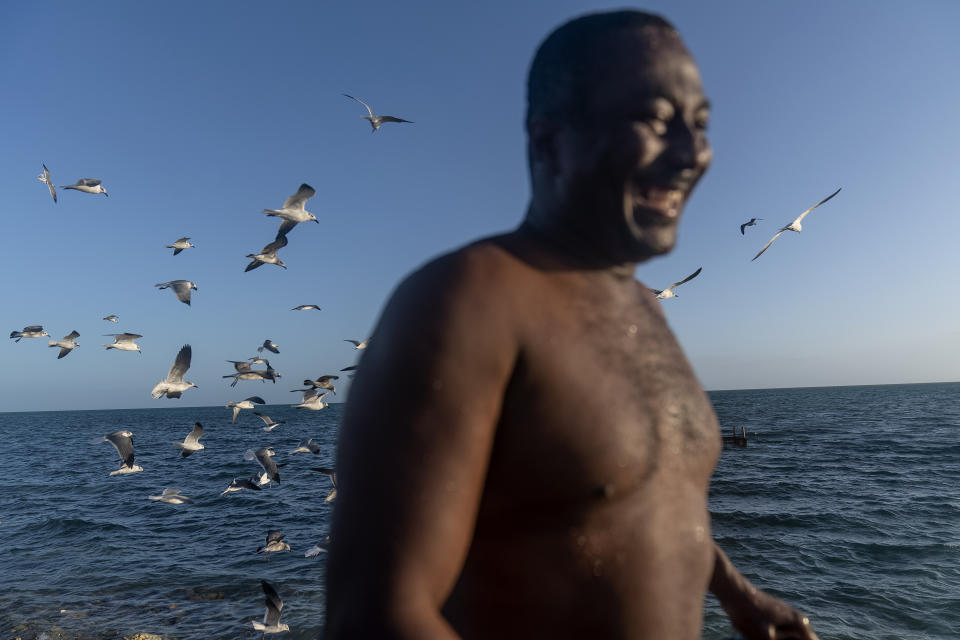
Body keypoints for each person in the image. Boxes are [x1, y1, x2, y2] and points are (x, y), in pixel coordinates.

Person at [325, 10, 819, 640]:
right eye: (655, 120)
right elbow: (376, 620)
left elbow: (649, 502)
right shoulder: (466, 303)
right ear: (549, 139)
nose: (693, 153)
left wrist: (738, 594)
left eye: (700, 124)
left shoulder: (645, 308)